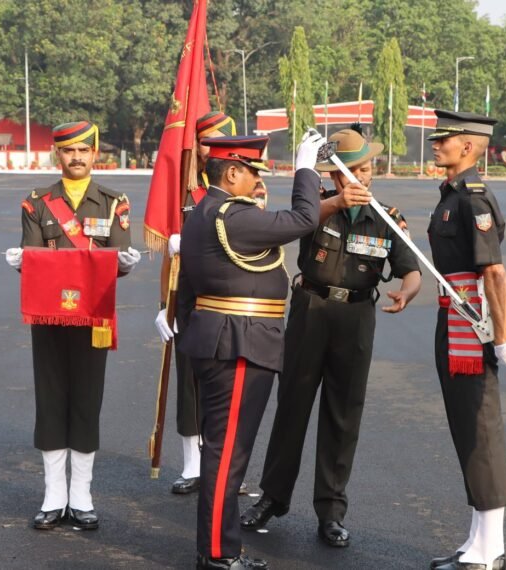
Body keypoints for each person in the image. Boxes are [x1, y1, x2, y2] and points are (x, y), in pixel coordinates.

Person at [240, 128, 421, 547]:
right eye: (351, 171)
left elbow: (410, 268)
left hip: (356, 316)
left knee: (343, 415)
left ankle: (331, 511)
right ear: (335, 176)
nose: (362, 177)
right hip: (311, 311)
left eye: (367, 168)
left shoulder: (387, 216)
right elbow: (295, 224)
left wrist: (407, 291)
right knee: (293, 406)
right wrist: (335, 202)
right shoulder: (315, 206)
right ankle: (273, 497)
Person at [178, 133, 323, 569]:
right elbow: (304, 218)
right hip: (240, 342)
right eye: (253, 173)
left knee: (222, 452)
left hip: (218, 337)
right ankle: (219, 554)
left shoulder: (202, 212)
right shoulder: (232, 216)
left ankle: (218, 547)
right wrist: (306, 168)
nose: (258, 183)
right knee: (227, 455)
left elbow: (188, 286)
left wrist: (191, 329)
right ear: (233, 172)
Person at [9, 121, 142, 531]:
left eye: (85, 150)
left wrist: (124, 263)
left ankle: (81, 495)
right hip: (50, 316)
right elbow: (34, 256)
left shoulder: (113, 202)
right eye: (69, 151)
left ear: (95, 153)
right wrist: (23, 261)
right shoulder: (36, 203)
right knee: (50, 399)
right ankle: (53, 495)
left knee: (86, 399)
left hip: (93, 316)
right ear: (57, 155)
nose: (78, 157)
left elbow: (117, 257)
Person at [425, 110, 506, 570]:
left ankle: (491, 549)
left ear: (467, 147)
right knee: (466, 428)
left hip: (473, 327)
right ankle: (475, 540)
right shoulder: (451, 194)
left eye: (444, 138)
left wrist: (503, 338)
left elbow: (494, 272)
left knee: (482, 431)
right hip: (453, 321)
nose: (434, 143)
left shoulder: (473, 199)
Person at [154, 111, 239, 495]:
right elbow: (170, 257)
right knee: (189, 383)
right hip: (190, 301)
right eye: (205, 142)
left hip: (230, 299)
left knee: (228, 387)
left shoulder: (247, 189)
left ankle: (225, 467)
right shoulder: (184, 193)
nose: (211, 149)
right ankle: (192, 465)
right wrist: (164, 305)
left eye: (219, 141)